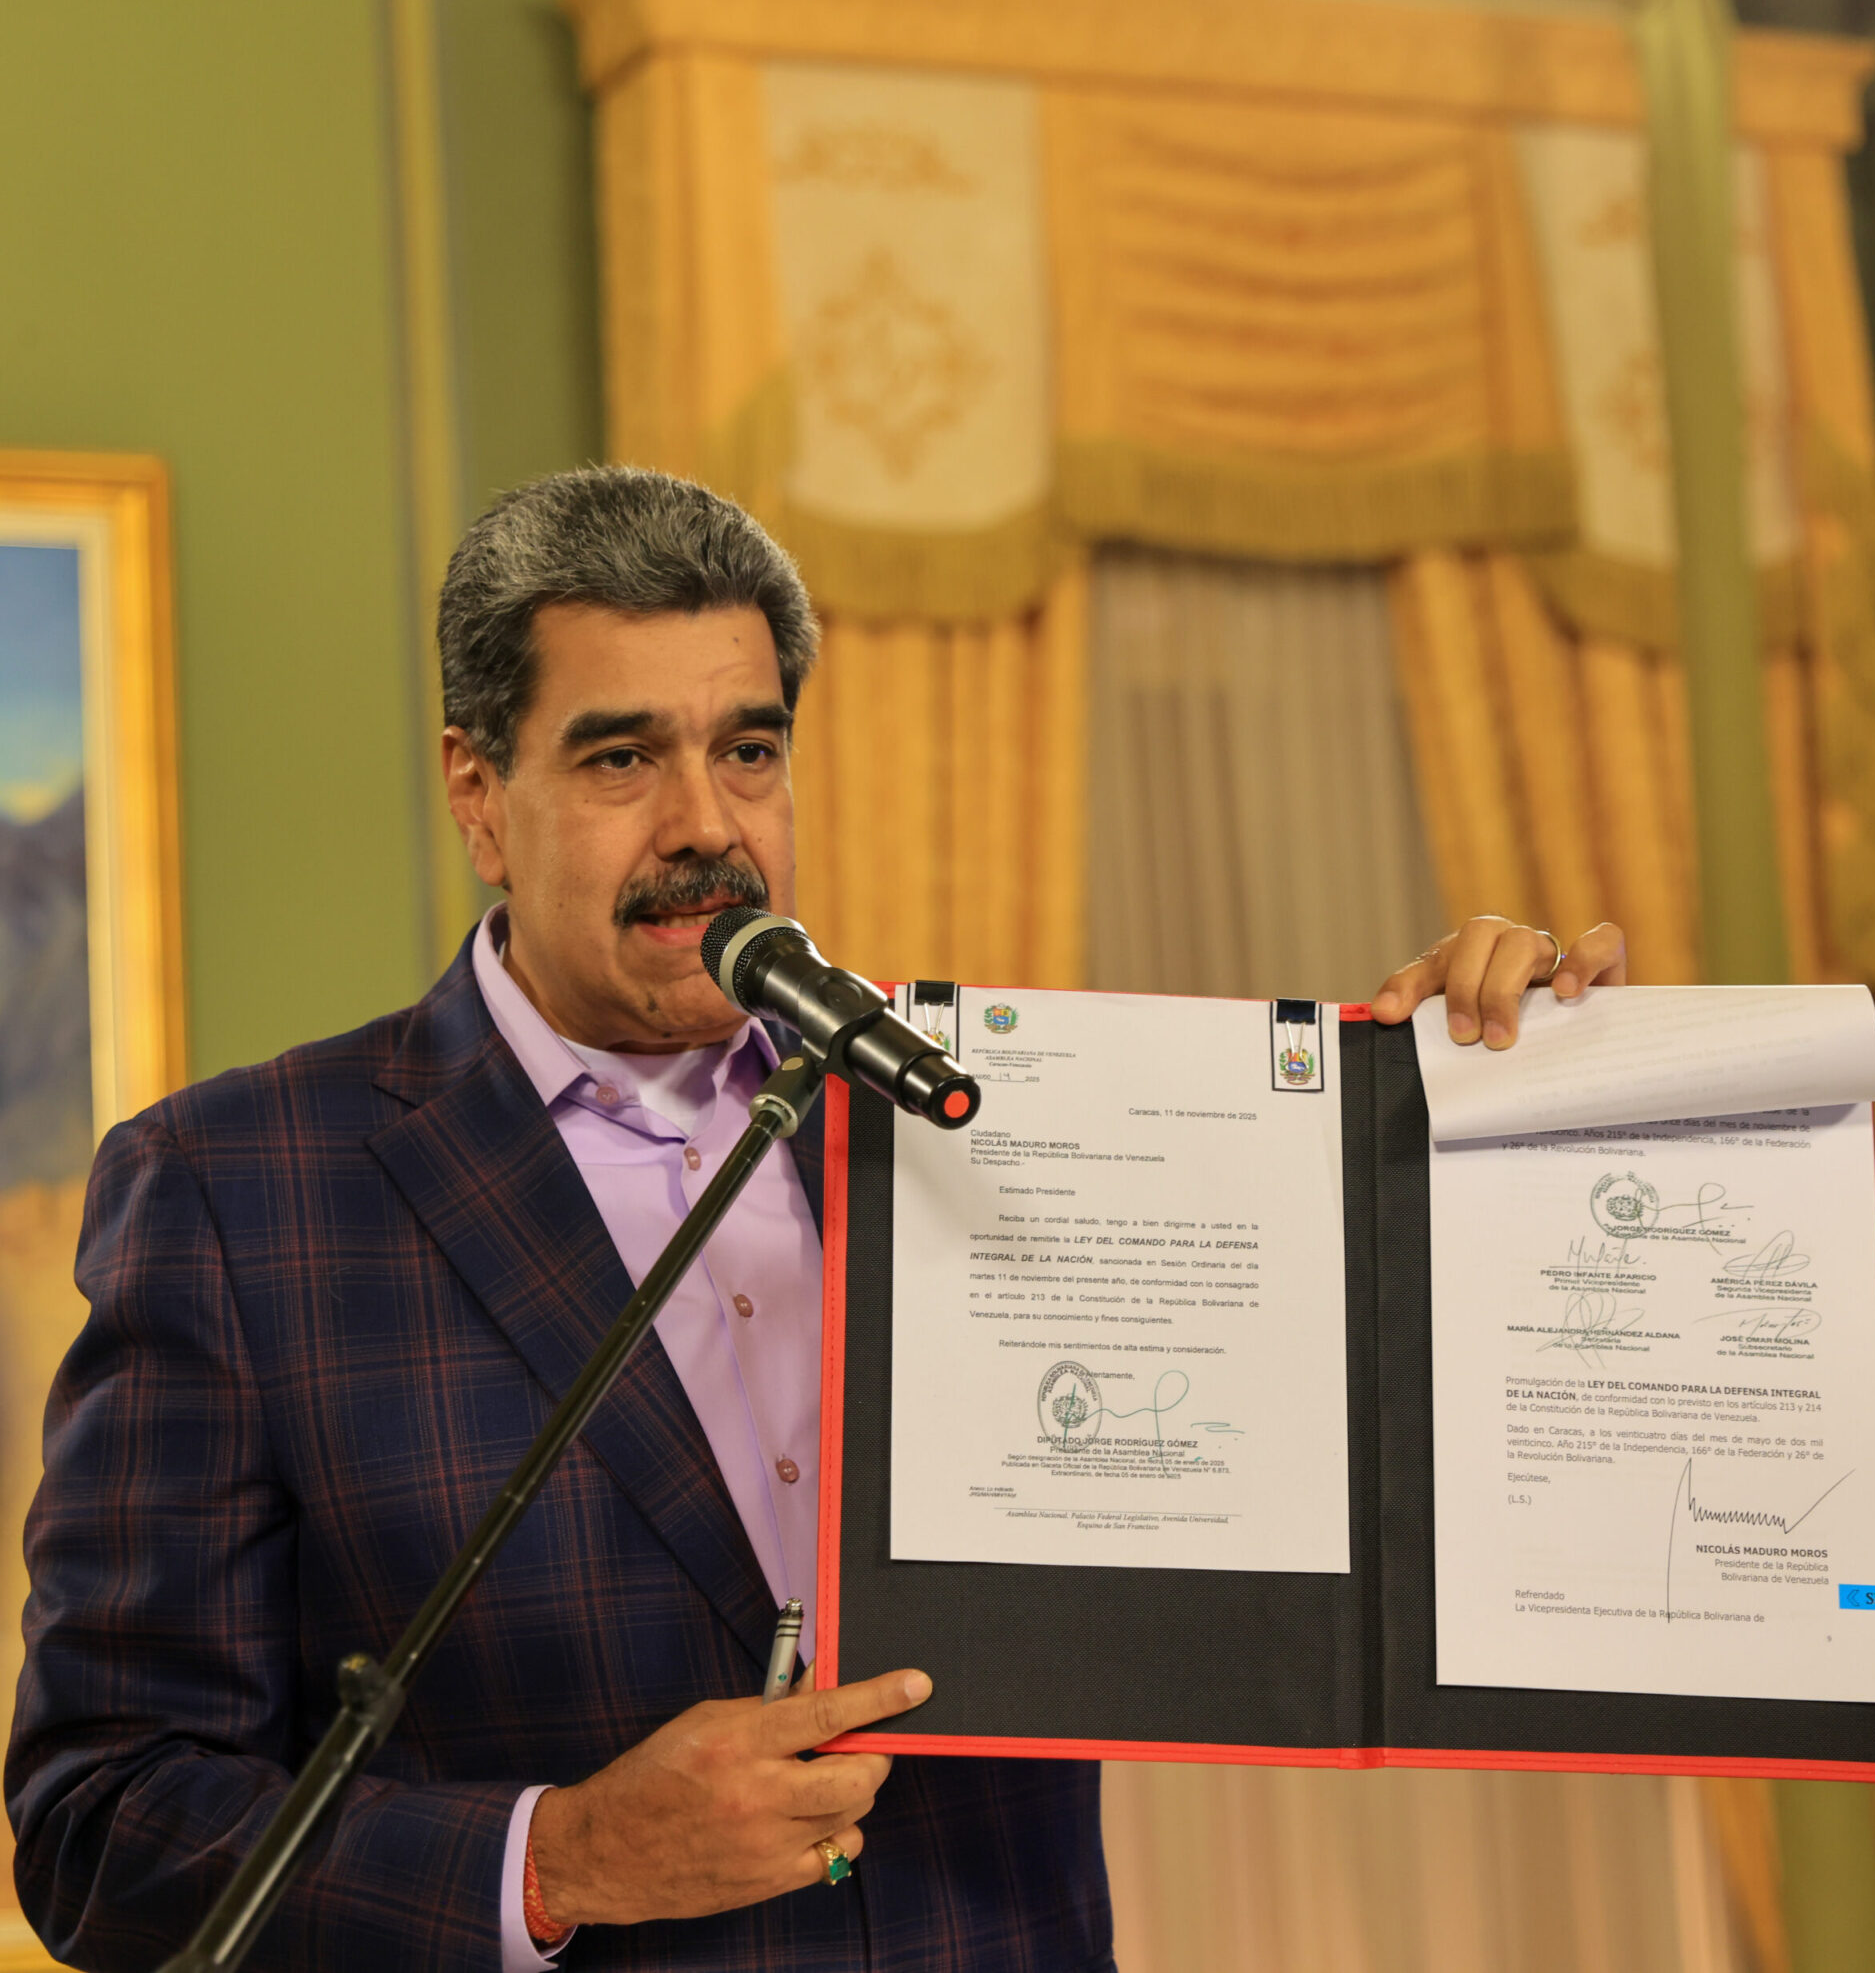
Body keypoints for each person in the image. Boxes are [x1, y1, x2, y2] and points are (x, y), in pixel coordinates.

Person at [6, 468, 1628, 1971]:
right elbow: (105, 1822)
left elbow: (1338, 1469)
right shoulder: (238, 1193)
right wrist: (560, 1857)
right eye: (622, 757)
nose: (707, 824)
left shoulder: (1002, 1118)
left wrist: (1471, 1096)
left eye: (750, 749)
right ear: (480, 795)